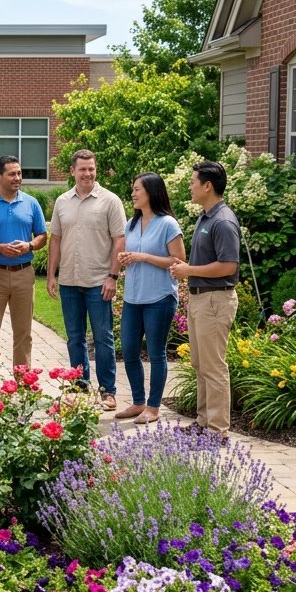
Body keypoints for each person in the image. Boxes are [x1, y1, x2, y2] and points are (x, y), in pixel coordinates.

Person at [47, 149, 126, 409]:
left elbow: (119, 240)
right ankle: (79, 388)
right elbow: (55, 240)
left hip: (98, 281)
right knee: (74, 337)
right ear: (72, 171)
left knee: (103, 337)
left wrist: (113, 276)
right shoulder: (62, 202)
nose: (87, 173)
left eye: (91, 168)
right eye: (82, 169)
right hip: (70, 280)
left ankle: (107, 391)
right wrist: (51, 275)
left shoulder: (110, 201)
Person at [170, 161, 240, 437]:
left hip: (215, 300)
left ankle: (217, 430)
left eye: (193, 181)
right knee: (200, 364)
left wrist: (189, 271)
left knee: (213, 366)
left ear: (207, 186)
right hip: (202, 299)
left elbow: (228, 266)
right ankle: (202, 423)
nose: (190, 185)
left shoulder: (222, 221)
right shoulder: (206, 216)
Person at [114, 173, 186, 424]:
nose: (133, 194)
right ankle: (137, 402)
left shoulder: (168, 224)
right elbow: (131, 253)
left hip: (160, 297)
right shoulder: (131, 224)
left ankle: (153, 407)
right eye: (132, 190)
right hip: (134, 297)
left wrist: (143, 257)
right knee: (130, 351)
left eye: (137, 190)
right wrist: (126, 258)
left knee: (156, 353)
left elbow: (178, 261)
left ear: (151, 192)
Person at [0, 155, 48, 368]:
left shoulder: (31, 203)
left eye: (19, 173)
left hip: (24, 273)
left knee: (23, 332)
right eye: (12, 174)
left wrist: (29, 245)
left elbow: (42, 236)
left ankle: (22, 384)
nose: (17, 178)